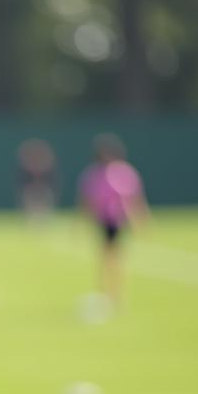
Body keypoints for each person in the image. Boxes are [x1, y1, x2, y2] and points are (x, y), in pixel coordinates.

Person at [78, 133, 150, 311]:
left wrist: (139, 218)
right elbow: (89, 200)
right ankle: (106, 292)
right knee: (106, 256)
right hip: (103, 220)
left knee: (114, 257)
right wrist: (84, 219)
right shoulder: (95, 174)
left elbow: (132, 198)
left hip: (116, 220)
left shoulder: (122, 172)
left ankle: (115, 294)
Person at [16, 137, 58, 223]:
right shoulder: (26, 168)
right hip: (31, 189)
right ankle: (31, 220)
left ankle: (43, 220)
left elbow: (52, 181)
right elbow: (22, 182)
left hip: (43, 189)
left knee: (45, 202)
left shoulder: (46, 167)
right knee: (30, 203)